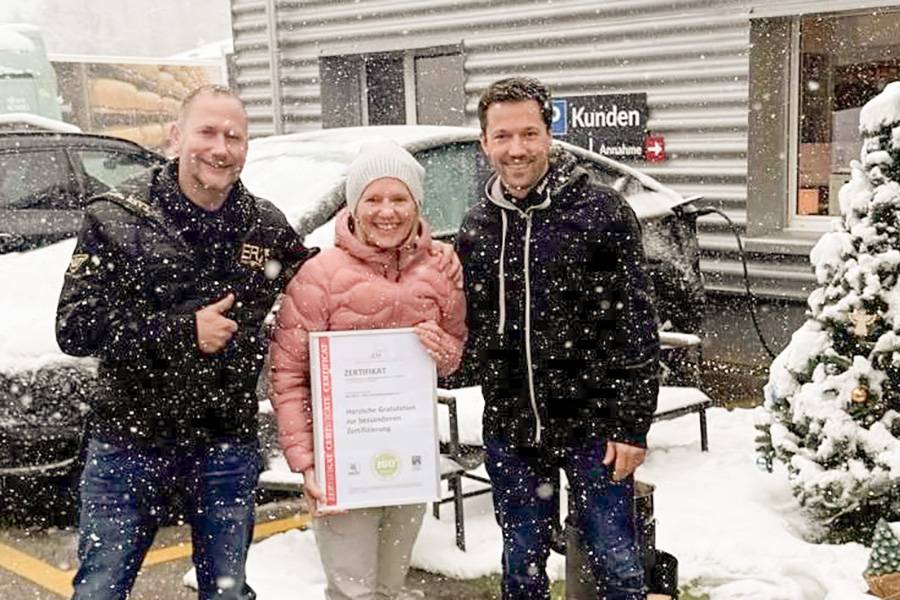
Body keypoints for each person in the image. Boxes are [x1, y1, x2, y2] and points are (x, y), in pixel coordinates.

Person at [56, 85, 314, 600]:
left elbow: (323, 288)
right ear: (176, 137)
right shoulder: (117, 215)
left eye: (234, 136)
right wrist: (182, 331)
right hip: (128, 441)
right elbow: (76, 327)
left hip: (225, 443)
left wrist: (392, 245)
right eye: (208, 132)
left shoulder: (264, 227)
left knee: (225, 589)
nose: (221, 148)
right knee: (101, 588)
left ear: (246, 146)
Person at [455, 76, 660, 600]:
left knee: (617, 563)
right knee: (520, 569)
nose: (516, 149)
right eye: (502, 136)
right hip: (513, 428)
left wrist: (632, 425)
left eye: (528, 133)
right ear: (484, 142)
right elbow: (475, 331)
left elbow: (635, 324)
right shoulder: (477, 227)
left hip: (596, 425)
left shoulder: (601, 213)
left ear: (550, 134)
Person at [268, 140, 467, 600]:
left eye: (399, 198)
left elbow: (455, 352)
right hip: (343, 460)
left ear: (417, 203)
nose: (387, 212)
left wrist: (445, 351)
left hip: (406, 455)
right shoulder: (319, 275)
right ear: (354, 206)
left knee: (390, 585)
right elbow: (289, 376)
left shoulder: (441, 270)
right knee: (352, 588)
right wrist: (308, 462)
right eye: (373, 199)